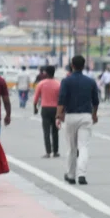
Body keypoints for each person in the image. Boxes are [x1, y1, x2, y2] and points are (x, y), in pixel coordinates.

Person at [55, 55, 99, 185]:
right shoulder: (90, 81)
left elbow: (62, 100)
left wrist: (58, 116)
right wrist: (94, 114)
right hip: (86, 116)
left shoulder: (66, 81)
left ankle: (70, 175)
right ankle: (82, 175)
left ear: (72, 65)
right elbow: (95, 101)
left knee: (71, 148)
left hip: (70, 116)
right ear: (83, 66)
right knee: (83, 146)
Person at [33, 66, 61, 158]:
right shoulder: (58, 84)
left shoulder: (41, 83)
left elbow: (36, 97)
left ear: (46, 73)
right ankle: (56, 151)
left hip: (45, 109)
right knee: (55, 131)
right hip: (56, 109)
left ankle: (48, 152)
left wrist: (35, 108)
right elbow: (61, 98)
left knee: (46, 131)